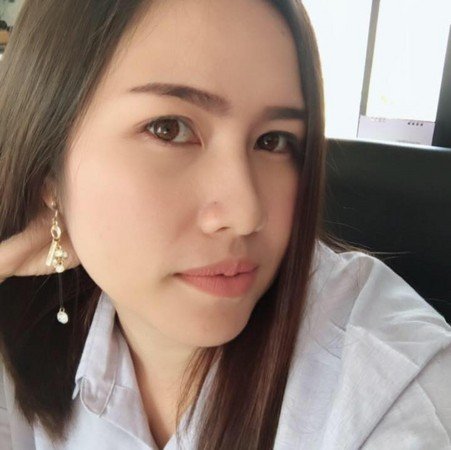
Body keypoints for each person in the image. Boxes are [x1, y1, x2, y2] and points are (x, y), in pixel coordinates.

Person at [0, 0, 450, 449]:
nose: (246, 213)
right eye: (170, 129)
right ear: (48, 168)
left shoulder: (392, 392)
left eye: (273, 141)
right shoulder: (27, 322)